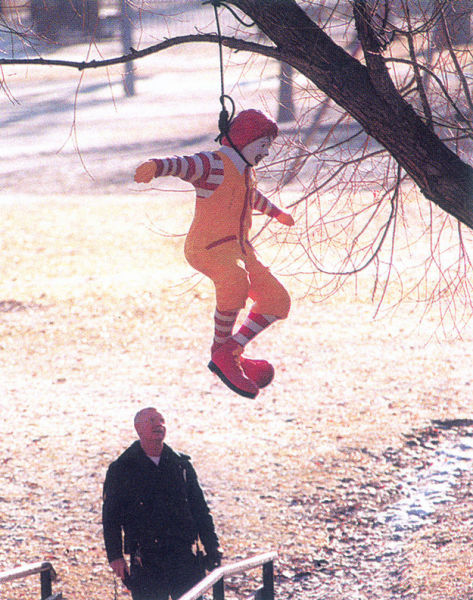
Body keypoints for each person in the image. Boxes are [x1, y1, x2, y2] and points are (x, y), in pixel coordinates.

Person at [134, 109, 295, 399]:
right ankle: (222, 353)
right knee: (234, 280)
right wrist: (156, 166)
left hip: (241, 250)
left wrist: (276, 213)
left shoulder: (247, 172)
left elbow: (250, 196)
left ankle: (231, 351)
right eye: (263, 145)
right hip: (207, 247)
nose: (266, 153)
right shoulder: (214, 164)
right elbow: (184, 164)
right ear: (245, 140)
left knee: (276, 299)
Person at [102, 407, 221, 600]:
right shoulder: (122, 468)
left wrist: (212, 546)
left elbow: (200, 509)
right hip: (146, 560)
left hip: (183, 556)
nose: (159, 425)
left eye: (162, 420)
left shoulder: (180, 464)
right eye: (151, 421)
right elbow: (111, 518)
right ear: (138, 429)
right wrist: (115, 556)